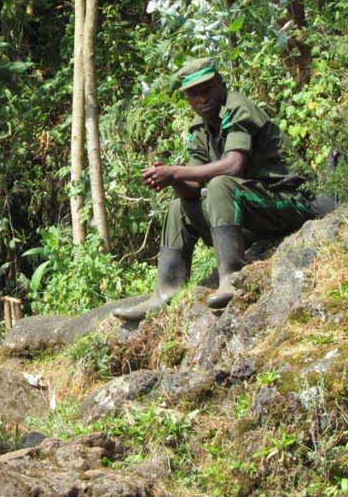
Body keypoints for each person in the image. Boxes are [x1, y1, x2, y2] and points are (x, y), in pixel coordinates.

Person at [115, 58, 315, 321]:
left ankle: (232, 277)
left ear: (221, 85)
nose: (202, 99)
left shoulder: (238, 108)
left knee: (221, 184)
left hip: (286, 203)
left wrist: (176, 171)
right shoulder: (200, 129)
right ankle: (166, 290)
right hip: (250, 213)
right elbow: (192, 188)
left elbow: (233, 165)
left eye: (208, 89)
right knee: (178, 206)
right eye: (194, 94)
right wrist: (172, 178)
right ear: (188, 99)